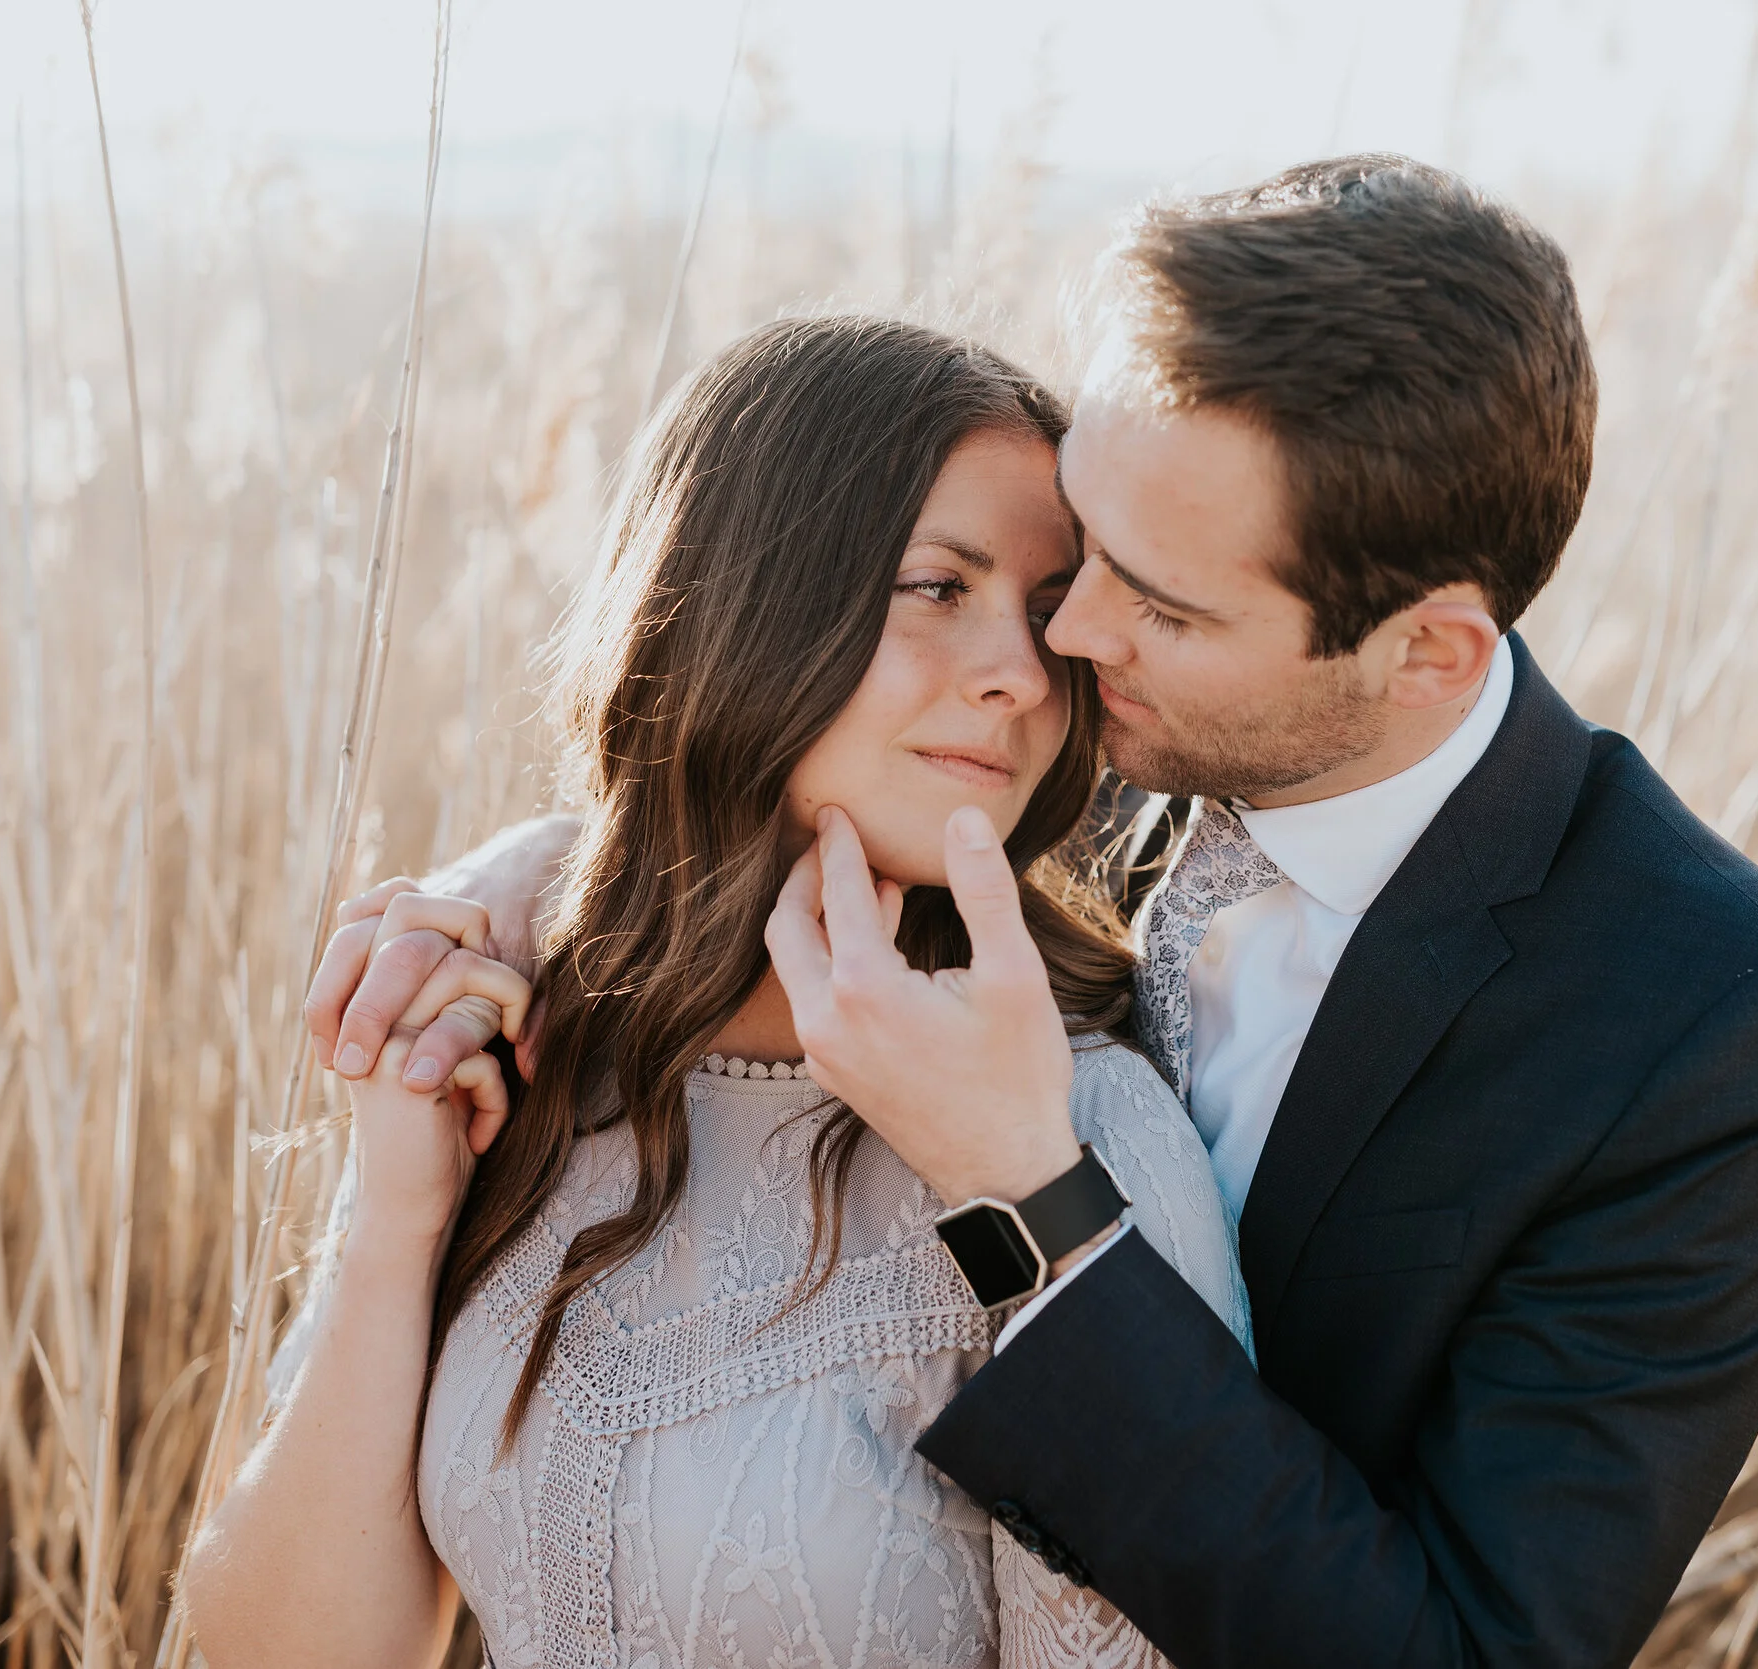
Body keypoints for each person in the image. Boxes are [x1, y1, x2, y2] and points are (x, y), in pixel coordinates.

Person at [318, 156, 1758, 1668]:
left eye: (1162, 602)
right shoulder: (1077, 712)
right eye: (1087, 544)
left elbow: (1454, 1648)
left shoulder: (1713, 1032)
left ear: (1428, 656)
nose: (1065, 634)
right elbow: (796, 758)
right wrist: (512, 897)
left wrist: (1030, 1193)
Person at [183, 316, 1247, 1669]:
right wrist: (402, 1210)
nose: (1024, 675)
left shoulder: (1081, 1139)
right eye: (939, 586)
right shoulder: (530, 1043)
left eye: (1048, 614)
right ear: (745, 593)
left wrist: (1016, 1209)